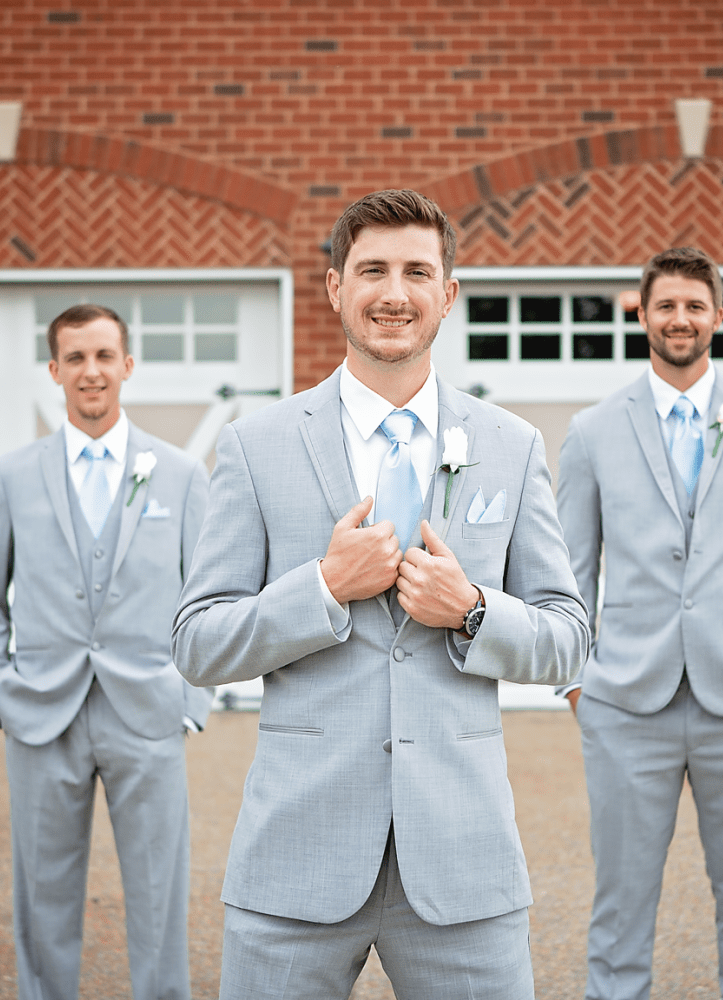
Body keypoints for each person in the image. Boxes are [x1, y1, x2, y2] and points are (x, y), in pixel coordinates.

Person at [172, 188, 588, 1000]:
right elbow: (197, 641)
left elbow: (569, 635)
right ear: (334, 287)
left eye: (415, 272)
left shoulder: (510, 445)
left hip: (463, 863)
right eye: (371, 271)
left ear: (447, 294)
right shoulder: (256, 446)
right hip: (297, 854)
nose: (393, 293)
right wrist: (324, 587)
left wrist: (471, 609)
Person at [556, 246, 723, 1000]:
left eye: (695, 306)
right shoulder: (593, 429)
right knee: (620, 906)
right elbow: (570, 569)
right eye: (666, 305)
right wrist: (577, 683)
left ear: (719, 316)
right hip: (625, 704)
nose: (681, 319)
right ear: (641, 313)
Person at [0, 304, 212, 1000]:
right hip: (42, 716)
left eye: (104, 356)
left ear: (128, 366)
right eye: (75, 358)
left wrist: (191, 700)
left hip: (150, 713)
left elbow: (208, 597)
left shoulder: (181, 473)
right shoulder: (14, 475)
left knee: (160, 896)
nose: (91, 371)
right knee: (42, 897)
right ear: (54, 371)